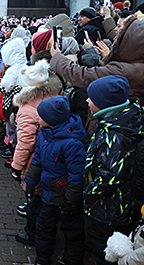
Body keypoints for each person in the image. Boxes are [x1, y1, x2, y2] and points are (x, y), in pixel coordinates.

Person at [83, 75, 143, 264]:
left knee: (101, 248)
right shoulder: (114, 122)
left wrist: (89, 192)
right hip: (113, 205)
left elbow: (110, 176)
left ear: (104, 103)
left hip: (108, 208)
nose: (86, 100)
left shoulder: (115, 135)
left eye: (91, 98)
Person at [24, 96, 86, 265]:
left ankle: (71, 259)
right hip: (48, 195)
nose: (38, 118)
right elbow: (37, 159)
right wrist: (30, 181)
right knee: (44, 228)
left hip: (65, 197)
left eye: (41, 116)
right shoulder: (45, 134)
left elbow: (77, 174)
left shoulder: (72, 144)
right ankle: (42, 257)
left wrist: (71, 201)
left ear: (51, 120)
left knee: (72, 232)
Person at [10, 60, 63, 246]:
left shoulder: (28, 107)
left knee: (35, 200)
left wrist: (16, 167)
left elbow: (25, 143)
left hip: (36, 162)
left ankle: (33, 234)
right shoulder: (55, 97)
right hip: (56, 159)